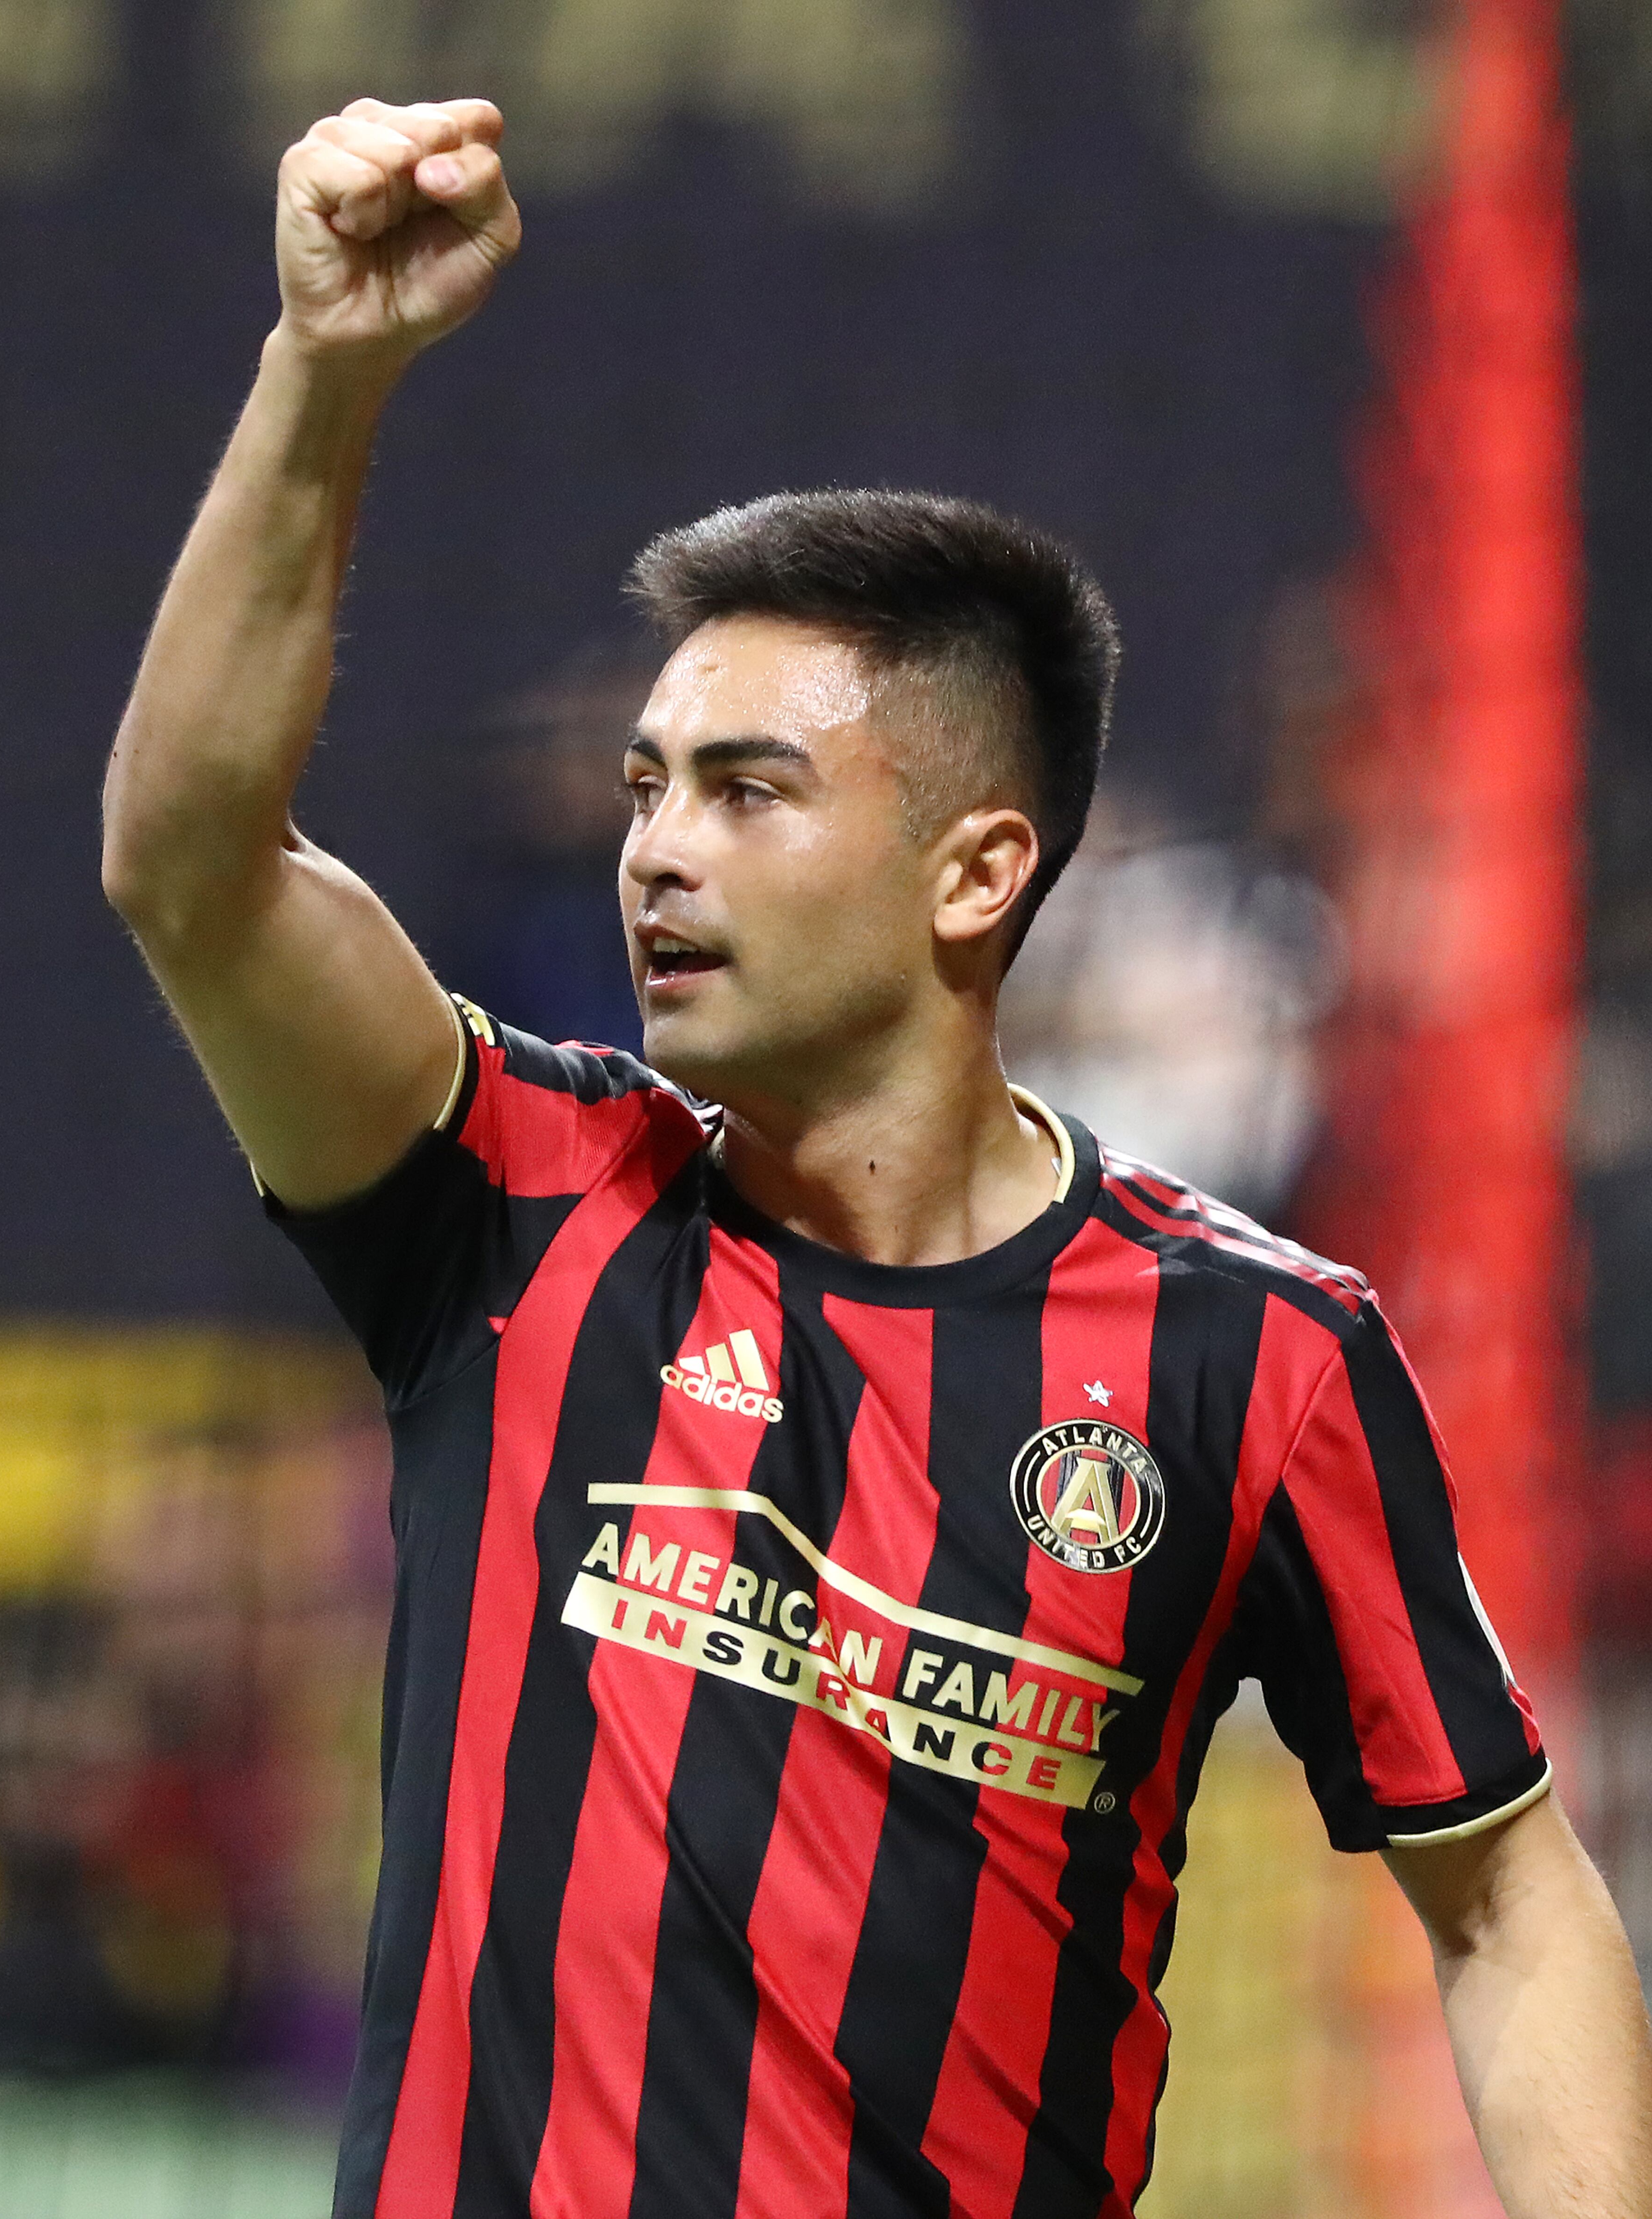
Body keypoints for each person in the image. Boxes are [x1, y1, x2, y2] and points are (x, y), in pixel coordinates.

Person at [101, 96, 1652, 2219]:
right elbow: (192, 865)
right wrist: (325, 371)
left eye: (749, 790)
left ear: (975, 872)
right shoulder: (521, 1195)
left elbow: (1509, 1896)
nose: (659, 847)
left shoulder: (1256, 1358)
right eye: (648, 785)